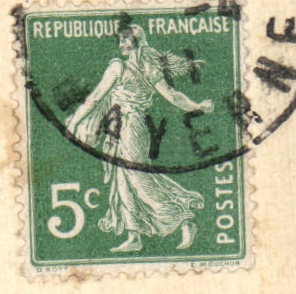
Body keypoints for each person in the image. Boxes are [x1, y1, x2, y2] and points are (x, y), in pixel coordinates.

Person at [66, 23, 212, 252]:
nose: (123, 45)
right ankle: (134, 236)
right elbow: (173, 96)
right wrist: (199, 106)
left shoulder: (121, 68)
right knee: (122, 181)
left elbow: (94, 99)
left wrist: (73, 123)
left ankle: (183, 219)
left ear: (137, 42)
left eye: (127, 41)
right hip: (119, 128)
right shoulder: (146, 68)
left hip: (130, 127)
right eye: (121, 41)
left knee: (138, 180)